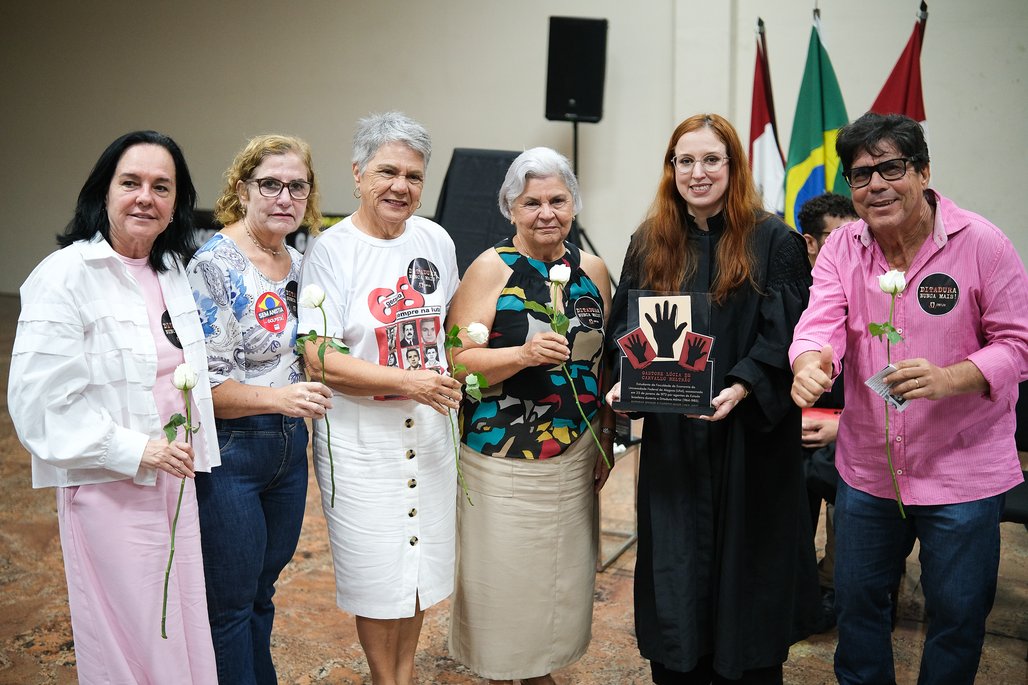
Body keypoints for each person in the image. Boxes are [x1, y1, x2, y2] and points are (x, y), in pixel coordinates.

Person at [791, 112, 1028, 684]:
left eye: (890, 168)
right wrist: (809, 365)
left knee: (957, 617)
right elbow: (819, 323)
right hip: (869, 469)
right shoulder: (842, 248)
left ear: (923, 171)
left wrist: (953, 378)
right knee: (859, 609)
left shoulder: (982, 244)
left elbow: (1018, 344)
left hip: (962, 473)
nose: (875, 185)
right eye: (861, 175)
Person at [605, 114, 821, 684]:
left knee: (746, 585)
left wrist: (745, 382)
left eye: (711, 160)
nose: (697, 173)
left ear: (733, 166)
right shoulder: (651, 240)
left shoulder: (773, 239)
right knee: (676, 580)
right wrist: (627, 387)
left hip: (751, 437)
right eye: (685, 161)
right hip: (676, 440)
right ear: (670, 169)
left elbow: (791, 334)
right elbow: (625, 331)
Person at [8, 130, 219, 683]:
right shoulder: (65, 276)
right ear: (104, 192)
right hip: (109, 484)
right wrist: (139, 450)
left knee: (178, 622)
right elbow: (40, 404)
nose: (145, 197)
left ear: (177, 204)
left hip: (175, 483)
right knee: (128, 638)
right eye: (131, 183)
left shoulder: (170, 274)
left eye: (161, 186)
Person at [298, 112, 462, 685]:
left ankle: (406, 675)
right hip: (360, 439)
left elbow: (450, 329)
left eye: (414, 175)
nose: (401, 186)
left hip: (430, 434)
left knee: (415, 569)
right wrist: (407, 381)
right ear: (358, 174)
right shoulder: (331, 250)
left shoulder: (435, 239)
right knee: (378, 573)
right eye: (387, 171)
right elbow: (317, 356)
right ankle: (384, 678)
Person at [445, 146, 613, 685]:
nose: (546, 212)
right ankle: (504, 672)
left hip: (574, 454)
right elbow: (457, 361)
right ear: (510, 209)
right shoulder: (491, 268)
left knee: (560, 583)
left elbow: (603, 363)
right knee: (503, 585)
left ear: (574, 204)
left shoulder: (594, 271)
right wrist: (520, 355)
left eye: (557, 200)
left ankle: (543, 671)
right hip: (502, 457)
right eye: (531, 202)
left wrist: (605, 440)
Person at [186, 134, 333, 684]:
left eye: (297, 186)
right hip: (233, 449)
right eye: (269, 184)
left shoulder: (299, 263)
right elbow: (208, 386)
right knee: (229, 604)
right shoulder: (214, 264)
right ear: (242, 188)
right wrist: (281, 399)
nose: (283, 196)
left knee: (263, 591)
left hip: (289, 448)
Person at [796, 192, 858, 632]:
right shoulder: (788, 289)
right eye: (838, 236)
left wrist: (841, 425)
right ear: (810, 243)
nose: (852, 243)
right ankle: (797, 586)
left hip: (851, 429)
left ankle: (838, 583)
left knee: (846, 489)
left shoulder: (869, 286)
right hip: (792, 426)